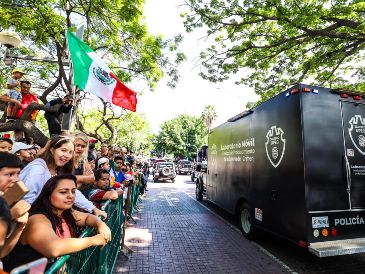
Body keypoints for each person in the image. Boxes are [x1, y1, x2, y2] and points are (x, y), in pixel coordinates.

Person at [3, 174, 111, 271]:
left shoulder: (65, 212)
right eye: (63, 192)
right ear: (48, 194)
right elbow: (54, 248)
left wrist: (100, 224)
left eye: (73, 191)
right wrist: (93, 240)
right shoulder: (37, 219)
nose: (71, 196)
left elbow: (87, 217)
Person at [19, 136, 107, 219]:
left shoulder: (58, 170)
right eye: (63, 150)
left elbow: (72, 191)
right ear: (52, 150)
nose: (67, 155)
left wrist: (93, 208)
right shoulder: (37, 169)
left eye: (70, 152)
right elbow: (26, 201)